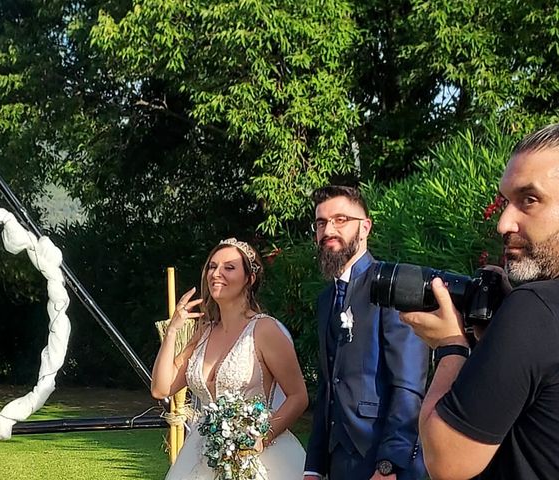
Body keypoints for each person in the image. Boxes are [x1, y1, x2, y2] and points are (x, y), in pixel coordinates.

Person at [400, 125, 559, 480]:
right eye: (506, 202)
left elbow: (446, 461)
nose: (504, 222)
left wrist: (451, 346)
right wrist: (493, 341)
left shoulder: (534, 309)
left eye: (529, 200)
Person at [151, 237, 309, 479]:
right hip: (202, 456)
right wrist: (173, 330)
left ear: (250, 278)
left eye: (229, 267)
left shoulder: (265, 330)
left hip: (259, 460)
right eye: (212, 266)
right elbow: (161, 388)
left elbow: (298, 396)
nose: (216, 273)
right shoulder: (203, 332)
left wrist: (261, 438)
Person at [304, 185, 429, 480]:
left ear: (365, 227)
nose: (328, 230)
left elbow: (408, 386)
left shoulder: (392, 287)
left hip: (383, 460)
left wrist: (388, 464)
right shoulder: (326, 299)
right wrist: (314, 466)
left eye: (341, 220)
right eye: (321, 222)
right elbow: (328, 388)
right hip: (338, 462)